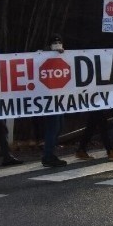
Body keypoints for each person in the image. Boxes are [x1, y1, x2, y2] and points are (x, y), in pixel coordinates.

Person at [40, 33, 68, 167]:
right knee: (53, 127)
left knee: (59, 126)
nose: (57, 44)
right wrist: (51, 53)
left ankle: (49, 152)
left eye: (59, 42)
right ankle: (48, 155)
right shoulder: (41, 56)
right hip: (48, 99)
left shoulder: (63, 57)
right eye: (55, 42)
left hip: (59, 99)